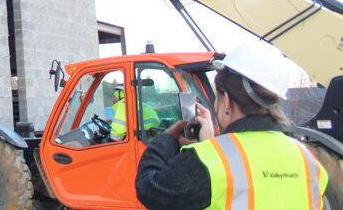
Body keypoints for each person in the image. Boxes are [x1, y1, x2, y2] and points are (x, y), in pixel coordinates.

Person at [135, 40, 329, 210]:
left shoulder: (207, 160)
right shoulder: (309, 161)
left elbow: (149, 189)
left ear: (226, 100)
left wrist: (168, 138)